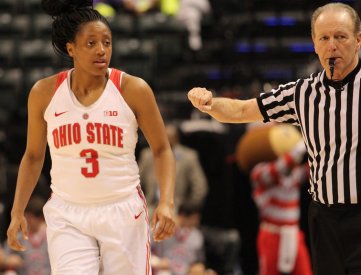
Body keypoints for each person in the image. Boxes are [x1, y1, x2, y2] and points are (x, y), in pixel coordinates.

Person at [187, 3, 361, 274]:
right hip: (324, 218)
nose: (332, 46)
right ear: (314, 43)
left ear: (358, 40)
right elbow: (244, 109)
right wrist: (208, 103)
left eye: (341, 36)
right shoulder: (302, 93)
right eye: (324, 38)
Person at [6, 0, 176, 274]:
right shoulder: (43, 93)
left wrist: (166, 202)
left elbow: (162, 150)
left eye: (107, 43)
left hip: (122, 210)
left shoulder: (133, 89)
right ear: (70, 48)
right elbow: (34, 156)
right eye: (91, 43)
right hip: (67, 213)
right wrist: (17, 211)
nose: (101, 50)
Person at [250, 140, 313, 275]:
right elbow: (275, 170)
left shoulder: (293, 173)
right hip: (272, 234)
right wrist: (295, 152)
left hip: (293, 234)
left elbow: (312, 169)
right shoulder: (259, 171)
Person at [139, 123, 208, 212]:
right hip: (149, 207)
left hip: (176, 209)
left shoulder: (188, 157)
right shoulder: (147, 156)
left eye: (170, 137)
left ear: (176, 139)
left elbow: (200, 187)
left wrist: (188, 209)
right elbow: (136, 183)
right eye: (164, 136)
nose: (167, 140)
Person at [150, 202, 206, 275]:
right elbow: (144, 250)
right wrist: (157, 262)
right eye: (194, 218)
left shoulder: (197, 236)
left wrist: (198, 269)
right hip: (162, 270)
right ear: (182, 216)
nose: (196, 222)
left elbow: (199, 262)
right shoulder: (162, 228)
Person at [3, 196, 50, 275]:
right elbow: (3, 257)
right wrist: (9, 260)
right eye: (26, 217)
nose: (27, 221)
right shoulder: (19, 237)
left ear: (41, 218)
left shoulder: (51, 235)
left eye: (30, 217)